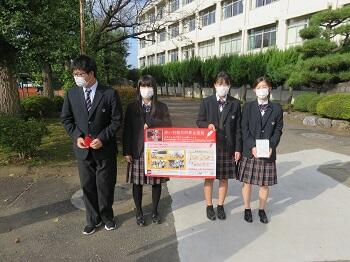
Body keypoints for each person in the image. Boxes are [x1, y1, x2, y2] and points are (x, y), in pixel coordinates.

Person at [61, 55, 123, 235]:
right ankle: (92, 219)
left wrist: (103, 138)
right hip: (83, 151)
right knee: (87, 186)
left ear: (92, 73)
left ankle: (107, 217)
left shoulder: (109, 93)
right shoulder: (71, 94)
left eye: (80, 74)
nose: (77, 77)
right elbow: (66, 119)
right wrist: (76, 136)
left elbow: (116, 120)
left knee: (105, 186)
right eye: (75, 74)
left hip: (104, 150)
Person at [123, 75, 172, 226]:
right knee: (137, 183)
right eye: (143, 86)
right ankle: (139, 211)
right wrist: (126, 151)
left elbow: (168, 126)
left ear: (154, 88)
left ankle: (155, 210)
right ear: (138, 88)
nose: (146, 89)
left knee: (156, 183)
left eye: (149, 86)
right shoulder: (132, 107)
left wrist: (150, 122)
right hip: (137, 150)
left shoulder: (162, 107)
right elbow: (127, 130)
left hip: (157, 151)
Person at [196, 71, 242, 221]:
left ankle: (220, 205)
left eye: (226, 84)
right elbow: (199, 121)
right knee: (209, 178)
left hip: (228, 147)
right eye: (220, 84)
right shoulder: (207, 102)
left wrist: (238, 149)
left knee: (224, 178)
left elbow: (238, 129)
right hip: (210, 147)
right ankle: (209, 206)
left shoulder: (235, 103)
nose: (223, 87)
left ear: (229, 86)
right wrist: (207, 125)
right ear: (215, 85)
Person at [238, 76, 283, 224]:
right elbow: (244, 129)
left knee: (264, 184)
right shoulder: (248, 107)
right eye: (259, 87)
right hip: (250, 152)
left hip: (268, 152)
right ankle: (247, 208)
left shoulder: (277, 108)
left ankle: (262, 209)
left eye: (264, 86)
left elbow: (278, 130)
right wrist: (252, 146)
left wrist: (272, 145)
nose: (262, 90)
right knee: (247, 182)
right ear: (254, 90)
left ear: (269, 88)